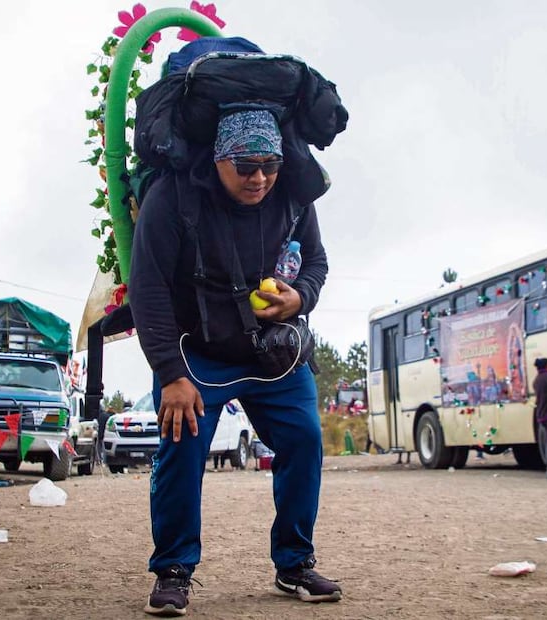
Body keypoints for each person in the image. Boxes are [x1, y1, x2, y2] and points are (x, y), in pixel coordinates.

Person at [129, 106, 341, 616]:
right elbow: (148, 288)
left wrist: (299, 299)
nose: (260, 177)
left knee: (305, 440)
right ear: (219, 159)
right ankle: (174, 570)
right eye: (246, 166)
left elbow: (316, 261)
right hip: (194, 354)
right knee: (181, 442)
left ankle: (294, 564)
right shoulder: (173, 197)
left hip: (274, 354)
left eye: (270, 164)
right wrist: (171, 375)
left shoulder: (292, 195)